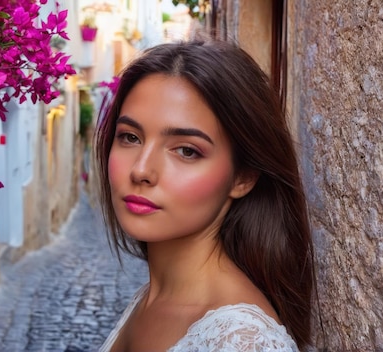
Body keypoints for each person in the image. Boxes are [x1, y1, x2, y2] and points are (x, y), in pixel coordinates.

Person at [95, 39, 315, 351]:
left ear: (243, 177)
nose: (141, 170)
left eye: (186, 151)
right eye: (130, 137)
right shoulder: (150, 299)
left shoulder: (243, 343)